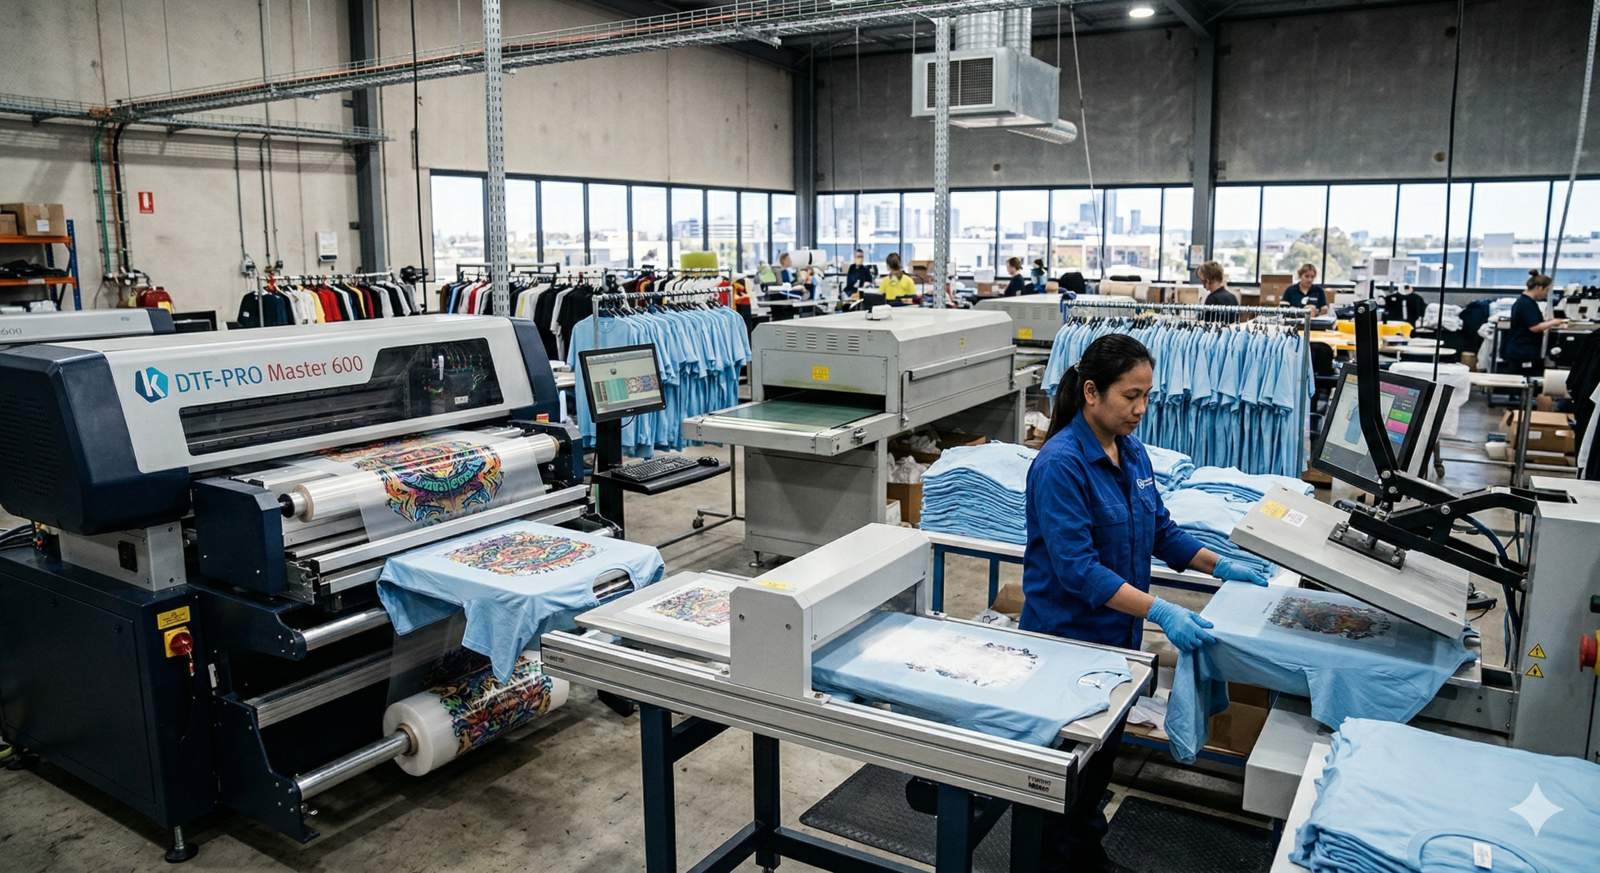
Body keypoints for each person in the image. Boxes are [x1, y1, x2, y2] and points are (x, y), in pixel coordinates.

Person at [1022, 334, 1271, 872]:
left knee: (1099, 767)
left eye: (1146, 396)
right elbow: (1077, 569)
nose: (1140, 409)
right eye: (1130, 396)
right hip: (1067, 642)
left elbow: (1161, 531)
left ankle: (1087, 857)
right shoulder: (1061, 464)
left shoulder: (1131, 451)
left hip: (1118, 643)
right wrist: (1161, 610)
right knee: (1063, 774)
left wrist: (1220, 565)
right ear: (1092, 392)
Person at [1501, 271, 1565, 376]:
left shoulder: (1525, 302)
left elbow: (1530, 322)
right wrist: (1553, 322)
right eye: (1546, 290)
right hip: (1523, 350)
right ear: (1539, 288)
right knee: (1528, 378)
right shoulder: (1526, 304)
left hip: (1522, 349)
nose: (1546, 294)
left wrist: (1546, 322)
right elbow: (1534, 327)